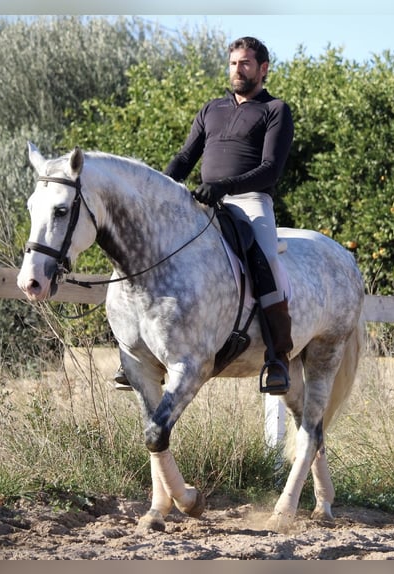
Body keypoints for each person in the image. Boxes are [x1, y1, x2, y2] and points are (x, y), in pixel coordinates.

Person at [114, 36, 295, 394]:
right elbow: (184, 159)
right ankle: (134, 353)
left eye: (244, 63)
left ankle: (278, 358)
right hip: (203, 201)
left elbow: (271, 169)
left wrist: (225, 185)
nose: (237, 70)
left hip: (250, 201)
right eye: (232, 63)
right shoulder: (212, 109)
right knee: (144, 249)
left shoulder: (276, 110)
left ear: (263, 68)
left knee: (267, 261)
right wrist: (159, 191)